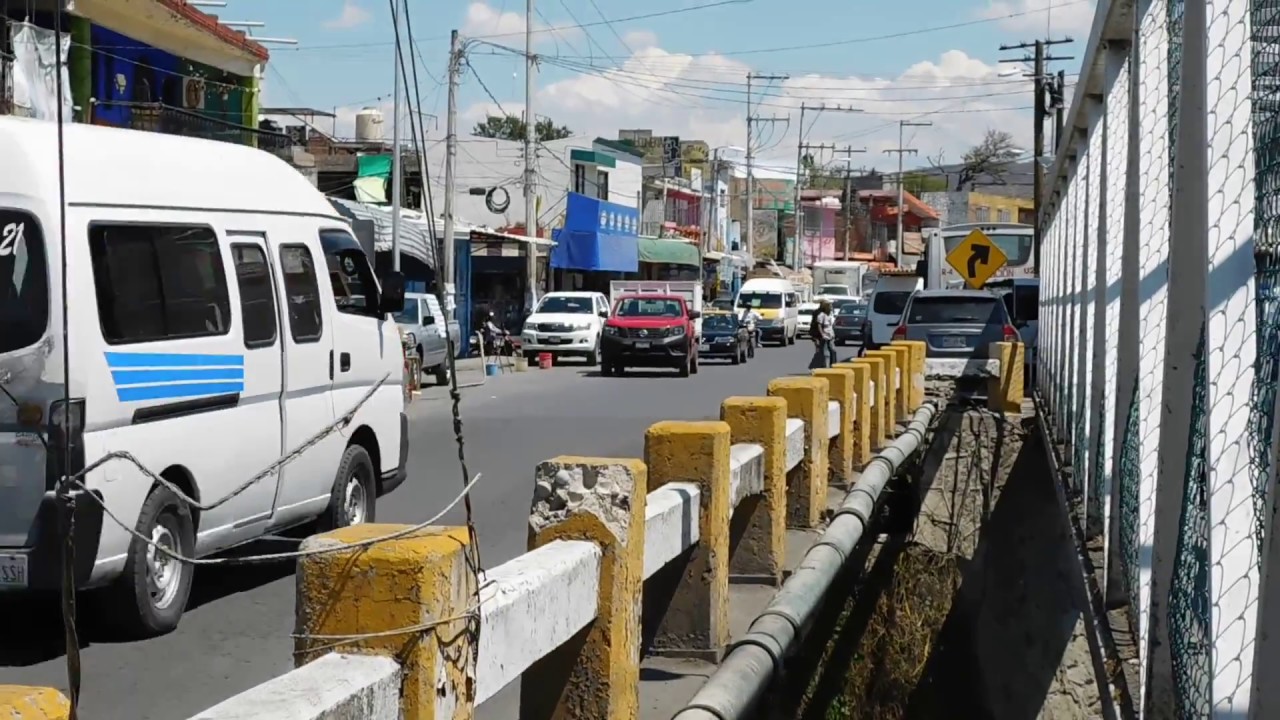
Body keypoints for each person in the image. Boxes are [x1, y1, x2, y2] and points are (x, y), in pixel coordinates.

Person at [809, 300, 836, 369]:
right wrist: (821, 335)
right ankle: (823, 366)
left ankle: (831, 365)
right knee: (824, 352)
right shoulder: (820, 314)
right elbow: (818, 326)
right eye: (829, 306)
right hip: (822, 336)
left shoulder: (829, 314)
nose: (831, 308)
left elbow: (830, 325)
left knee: (832, 350)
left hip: (830, 335)